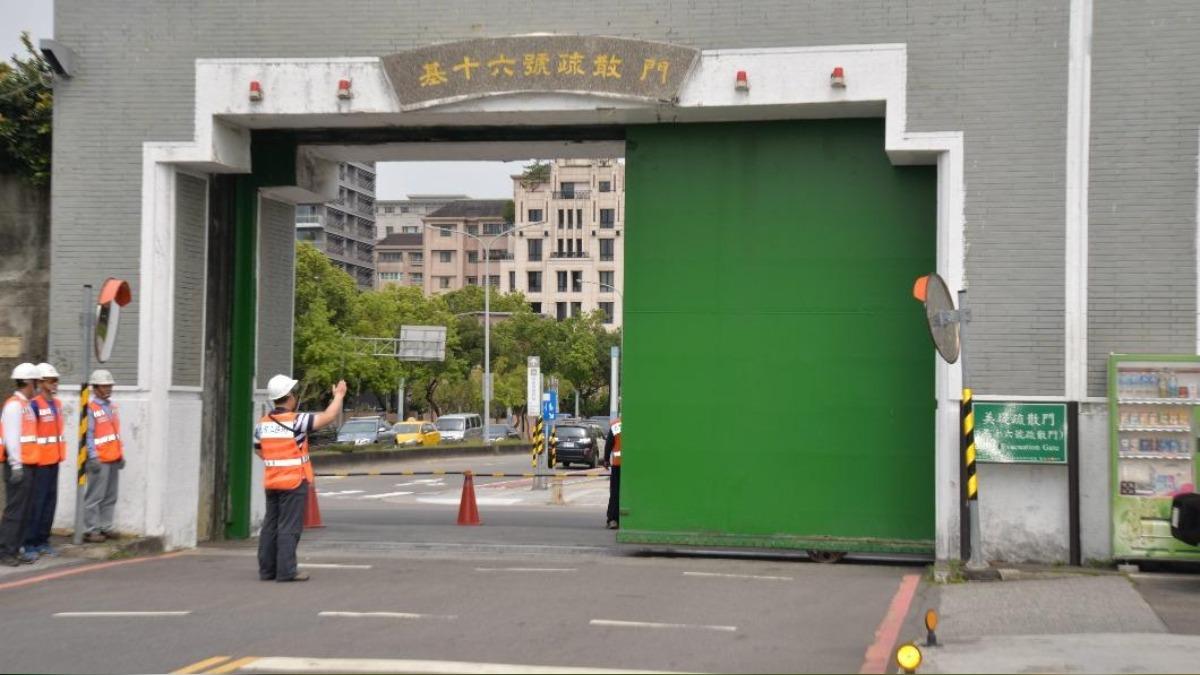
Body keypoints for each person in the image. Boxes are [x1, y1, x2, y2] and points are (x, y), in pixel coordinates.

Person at [255, 374, 346, 582]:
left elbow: (259, 449)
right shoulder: (297, 420)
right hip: (294, 481)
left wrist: (278, 460)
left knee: (270, 525)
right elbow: (328, 417)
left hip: (272, 481)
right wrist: (339, 396)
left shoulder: (263, 423)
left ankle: (267, 570)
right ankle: (286, 571)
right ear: (289, 397)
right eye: (293, 393)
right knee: (289, 526)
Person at [0, 363, 42, 566]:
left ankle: (16, 548)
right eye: (36, 382)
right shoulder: (14, 406)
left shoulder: (27, 406)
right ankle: (6, 551)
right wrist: (16, 465)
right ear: (28, 382)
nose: (38, 386)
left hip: (29, 465)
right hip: (19, 467)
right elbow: (12, 438)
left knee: (24, 511)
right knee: (15, 511)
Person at [24, 363, 65, 556]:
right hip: (39, 463)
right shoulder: (34, 404)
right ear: (40, 383)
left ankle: (43, 539)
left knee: (50, 503)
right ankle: (29, 542)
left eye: (56, 380)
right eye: (51, 380)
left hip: (54, 460)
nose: (55, 384)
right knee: (36, 503)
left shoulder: (56, 404)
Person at [83, 369, 124, 543]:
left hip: (113, 457)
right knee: (94, 497)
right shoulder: (91, 408)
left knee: (110, 496)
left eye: (109, 386)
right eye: (104, 386)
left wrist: (120, 455)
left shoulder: (111, 407)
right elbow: (89, 435)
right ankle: (90, 530)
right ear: (95, 388)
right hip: (99, 460)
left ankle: (106, 527)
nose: (108, 389)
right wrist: (92, 457)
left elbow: (114, 433)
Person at [603, 416, 622, 530]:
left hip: (618, 464)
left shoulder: (616, 424)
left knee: (615, 492)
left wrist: (606, 460)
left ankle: (613, 520)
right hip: (634, 467)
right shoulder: (638, 423)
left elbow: (609, 443)